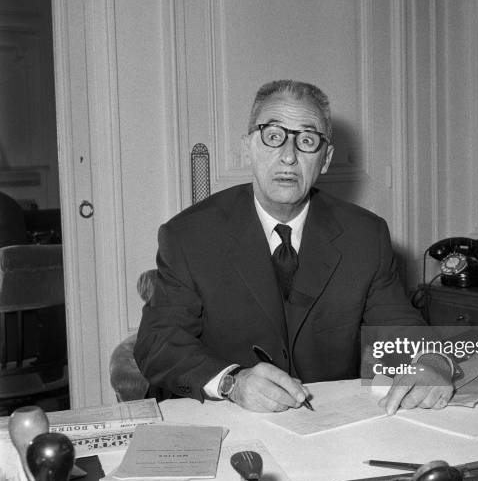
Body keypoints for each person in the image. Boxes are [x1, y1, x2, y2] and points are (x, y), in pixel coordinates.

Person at [134, 80, 454, 413]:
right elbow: (158, 343)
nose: (288, 156)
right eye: (273, 137)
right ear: (248, 149)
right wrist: (232, 382)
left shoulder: (365, 236)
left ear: (326, 158)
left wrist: (434, 362)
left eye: (307, 140)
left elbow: (399, 326)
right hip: (226, 417)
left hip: (327, 427)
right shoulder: (189, 236)